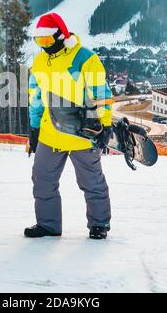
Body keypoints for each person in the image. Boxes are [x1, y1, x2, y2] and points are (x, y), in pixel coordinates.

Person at [25, 13, 114, 240]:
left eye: (47, 41)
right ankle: (48, 225)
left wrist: (104, 126)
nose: (44, 47)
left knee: (91, 181)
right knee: (42, 178)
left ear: (61, 35)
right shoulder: (39, 62)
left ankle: (99, 224)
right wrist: (34, 128)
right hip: (50, 131)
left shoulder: (85, 58)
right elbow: (36, 97)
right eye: (39, 42)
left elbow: (101, 95)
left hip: (82, 133)